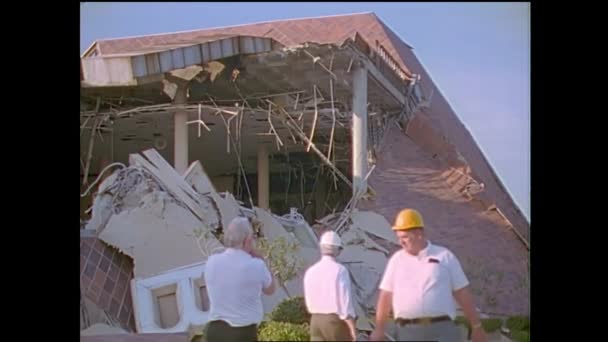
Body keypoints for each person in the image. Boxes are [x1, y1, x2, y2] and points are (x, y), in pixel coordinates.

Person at [370, 209, 487, 342]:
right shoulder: (396, 261)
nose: (401, 242)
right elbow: (385, 296)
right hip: (407, 332)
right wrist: (379, 329)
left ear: (419, 233)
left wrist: (476, 326)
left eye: (405, 237)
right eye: (399, 237)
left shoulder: (444, 257)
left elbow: (462, 293)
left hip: (442, 330)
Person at [203, 217, 276, 342]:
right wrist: (263, 260)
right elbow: (271, 289)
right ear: (247, 240)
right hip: (242, 332)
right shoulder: (256, 265)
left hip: (213, 331)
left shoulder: (211, 262)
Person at [303, 230, 357, 341]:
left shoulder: (311, 271)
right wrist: (352, 328)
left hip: (315, 321)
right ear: (337, 249)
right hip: (334, 322)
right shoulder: (340, 270)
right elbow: (345, 304)